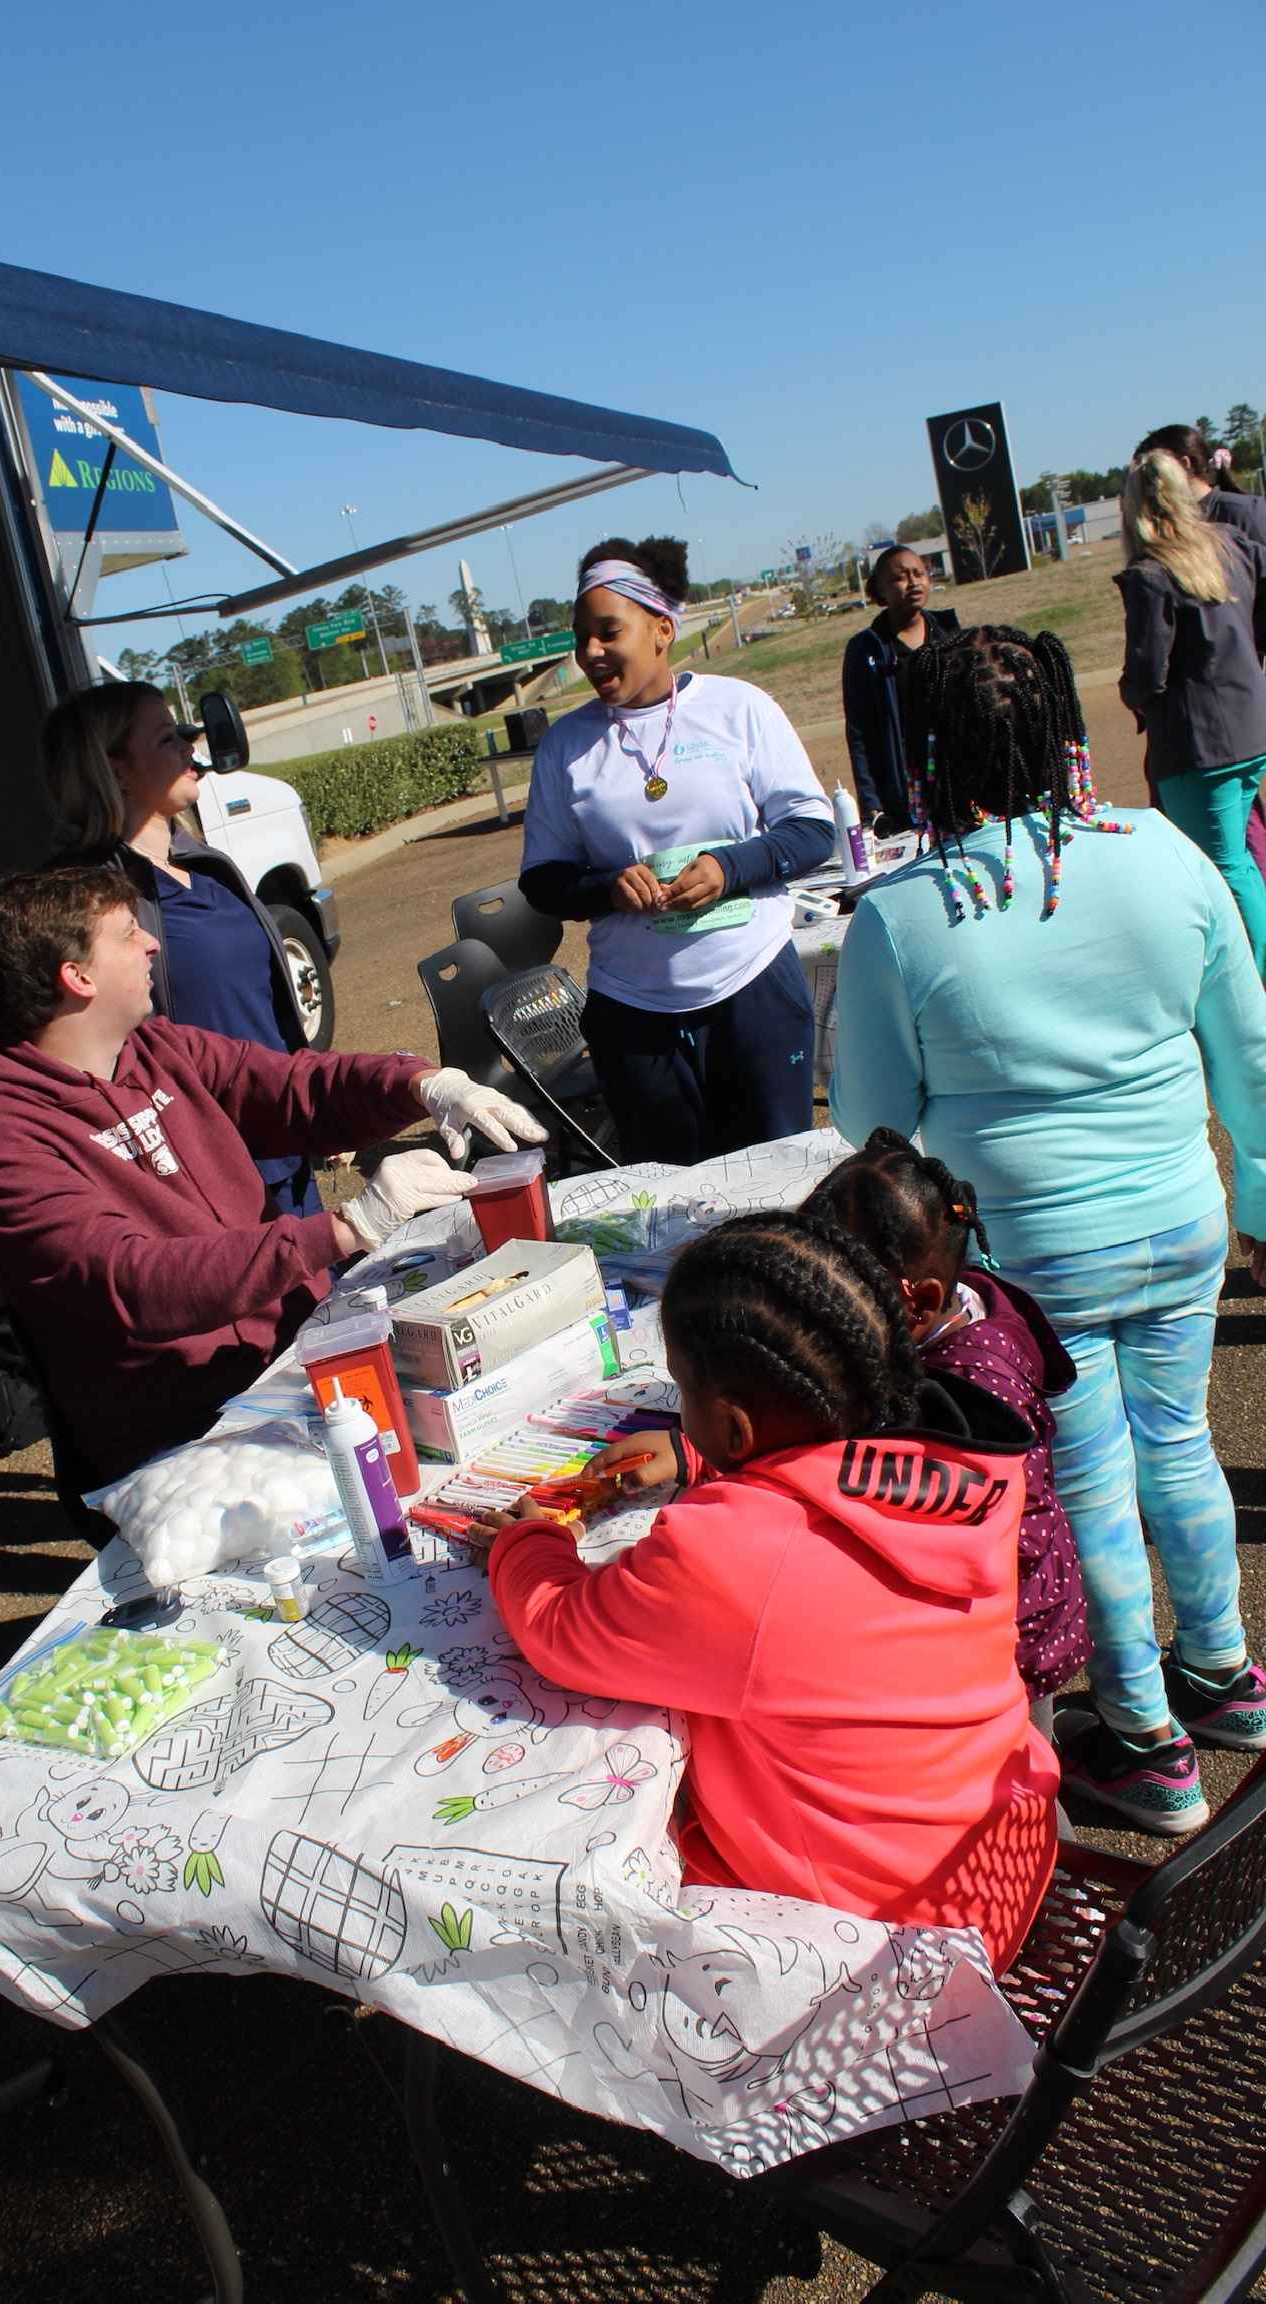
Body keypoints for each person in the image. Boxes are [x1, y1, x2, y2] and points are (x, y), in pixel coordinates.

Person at [830, 625, 1266, 1834]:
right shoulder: (1164, 856)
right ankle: (1226, 1680)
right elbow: (1250, 1052)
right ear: (1063, 728)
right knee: (1177, 1438)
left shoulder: (904, 915)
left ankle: (1144, 1742)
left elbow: (874, 1127)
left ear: (931, 749)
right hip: (1181, 1219)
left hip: (1030, 1255)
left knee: (1087, 1479)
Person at [475, 1210, 1056, 1973]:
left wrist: (528, 1545)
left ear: (736, 1425)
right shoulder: (968, 1472)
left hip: (870, 1939)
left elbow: (562, 1630)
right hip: (989, 1867)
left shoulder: (730, 1556)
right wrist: (702, 1460)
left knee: (580, 1886)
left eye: (682, 1391)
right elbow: (823, 1505)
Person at [0, 867, 543, 1491]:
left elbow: (293, 1088)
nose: (152, 943)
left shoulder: (155, 1048)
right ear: (79, 977)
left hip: (298, 1368)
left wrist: (421, 1084)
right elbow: (134, 1281)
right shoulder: (0, 1139)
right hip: (183, 1447)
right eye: (128, 935)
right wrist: (347, 1228)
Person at [517, 536, 834, 1166]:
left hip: (753, 989)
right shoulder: (566, 746)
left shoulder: (738, 708)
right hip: (635, 1012)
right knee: (675, 1213)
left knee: (784, 1192)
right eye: (581, 637)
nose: (590, 653)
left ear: (661, 628)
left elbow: (810, 829)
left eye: (609, 632)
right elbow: (542, 880)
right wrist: (605, 888)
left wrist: (729, 867)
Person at [805, 1129, 1090, 1734]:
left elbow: (992, 1534)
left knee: (1013, 1776)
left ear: (921, 1300)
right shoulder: (959, 1313)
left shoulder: (972, 1396)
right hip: (1003, 1614)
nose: (826, 1319)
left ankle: (1048, 1826)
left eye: (843, 1300)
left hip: (1004, 1635)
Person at [42, 680, 326, 1217]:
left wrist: (318, 1103)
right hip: (205, 1175)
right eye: (168, 738)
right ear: (116, 769)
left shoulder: (206, 866)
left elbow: (262, 1004)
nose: (190, 749)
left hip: (281, 1144)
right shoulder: (85, 898)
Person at [1117, 450, 1266, 972]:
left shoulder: (1150, 574)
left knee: (1221, 867)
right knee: (1239, 860)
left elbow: (1147, 671)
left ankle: (1254, 975)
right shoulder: (1231, 545)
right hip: (1249, 727)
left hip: (1198, 743)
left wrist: (1132, 694)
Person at [842, 546, 960, 833]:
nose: (914, 582)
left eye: (919, 573)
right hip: (901, 792)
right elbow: (858, 733)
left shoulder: (951, 635)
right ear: (879, 590)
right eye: (900, 577)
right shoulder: (865, 649)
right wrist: (872, 806)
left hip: (955, 782)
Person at [1133, 424, 1266, 551]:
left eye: (1153, 472)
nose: (1147, 485)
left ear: (1185, 464)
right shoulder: (1168, 526)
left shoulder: (1246, 512)